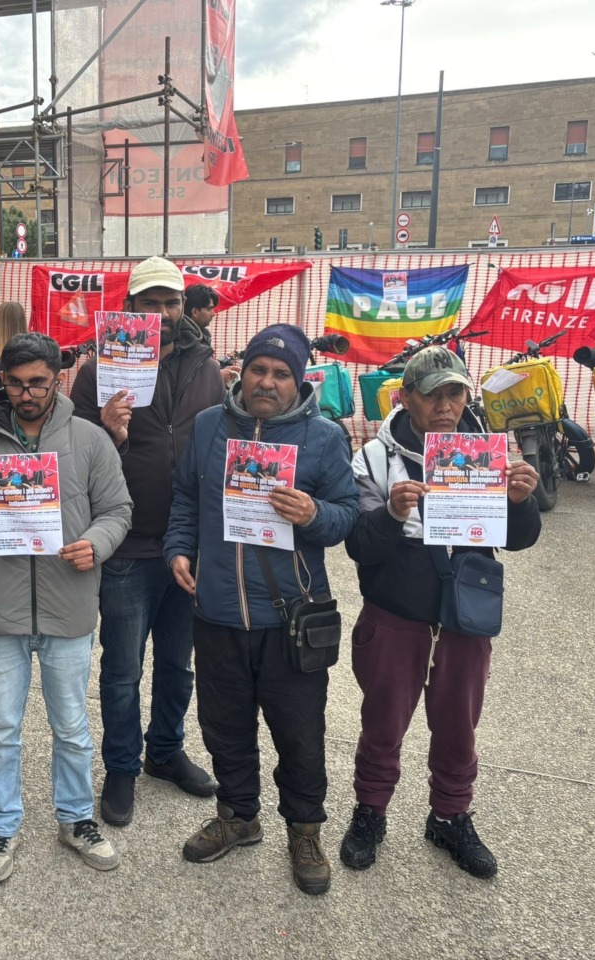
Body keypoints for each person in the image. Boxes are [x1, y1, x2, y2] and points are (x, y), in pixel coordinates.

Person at [163, 323, 359, 896]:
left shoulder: (323, 437)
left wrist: (314, 514)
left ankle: (304, 830)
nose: (266, 382)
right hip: (218, 611)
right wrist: (179, 549)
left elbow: (348, 514)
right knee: (223, 727)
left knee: (300, 735)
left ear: (299, 381)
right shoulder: (209, 427)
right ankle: (238, 815)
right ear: (243, 372)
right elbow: (185, 496)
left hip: (290, 617)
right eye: (258, 369)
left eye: (280, 373)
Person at [339, 346, 541, 880]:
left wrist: (520, 502)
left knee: (458, 724)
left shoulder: (488, 454)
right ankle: (370, 810)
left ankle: (450, 816)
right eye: (432, 395)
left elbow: (517, 540)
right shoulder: (373, 459)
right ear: (405, 398)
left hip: (466, 617)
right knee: (382, 722)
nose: (446, 406)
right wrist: (391, 513)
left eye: (455, 394)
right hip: (395, 614)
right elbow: (359, 545)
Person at [0, 332, 132, 884]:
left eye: (38, 384)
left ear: (57, 381)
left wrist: (95, 543)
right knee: (1, 729)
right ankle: (2, 826)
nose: (27, 394)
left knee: (71, 726)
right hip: (0, 610)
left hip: (68, 605)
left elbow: (118, 509)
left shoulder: (90, 439)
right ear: (3, 381)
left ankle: (75, 819)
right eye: (17, 384)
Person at [70, 256, 225, 829]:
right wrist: (109, 433)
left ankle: (164, 750)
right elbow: (76, 458)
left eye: (170, 302)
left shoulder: (206, 365)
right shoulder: (95, 371)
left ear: (183, 306)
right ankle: (121, 766)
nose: (161, 313)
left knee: (179, 663)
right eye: (149, 303)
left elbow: (220, 443)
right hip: (127, 544)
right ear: (129, 306)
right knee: (122, 669)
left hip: (187, 542)